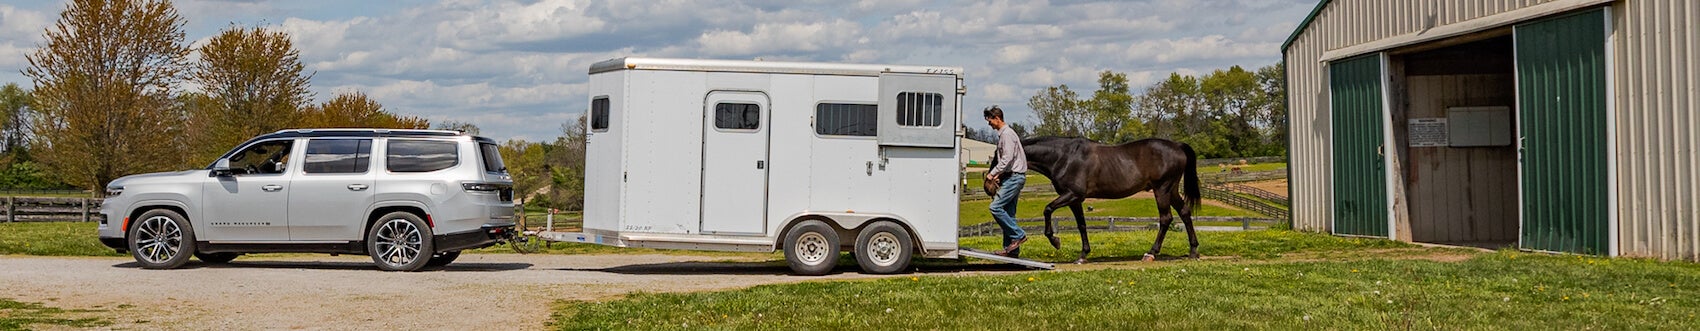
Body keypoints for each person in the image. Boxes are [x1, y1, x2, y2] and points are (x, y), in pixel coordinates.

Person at [982, 106, 1027, 257]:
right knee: (1009, 213)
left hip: (1014, 177)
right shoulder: (1005, 135)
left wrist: (992, 174)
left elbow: (1007, 158)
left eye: (990, 120)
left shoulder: (1007, 134)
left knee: (995, 207)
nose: (989, 124)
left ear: (997, 118)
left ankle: (1019, 235)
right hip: (1012, 176)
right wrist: (1000, 175)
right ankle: (1011, 251)